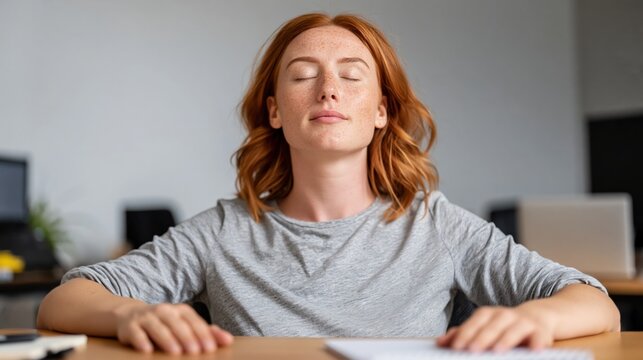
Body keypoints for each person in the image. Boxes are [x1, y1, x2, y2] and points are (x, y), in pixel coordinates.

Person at [37, 12, 620, 355]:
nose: (328, 90)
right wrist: (127, 316)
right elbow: (63, 301)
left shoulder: (436, 225)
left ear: (381, 112)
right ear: (274, 111)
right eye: (303, 75)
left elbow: (597, 303)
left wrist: (537, 319)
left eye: (351, 75)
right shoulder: (221, 232)